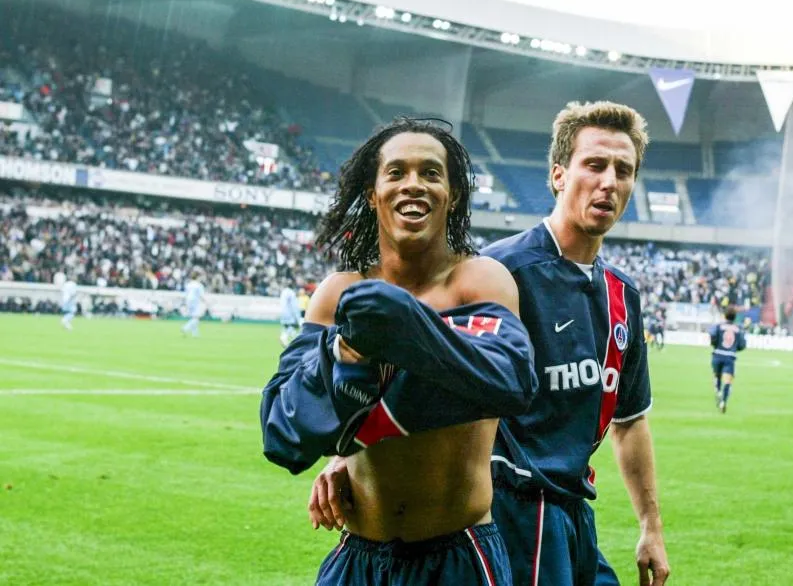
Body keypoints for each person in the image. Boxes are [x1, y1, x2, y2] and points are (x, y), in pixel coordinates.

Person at [309, 102, 671, 586]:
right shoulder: (496, 274)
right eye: (594, 164)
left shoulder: (622, 296)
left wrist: (651, 527)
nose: (608, 181)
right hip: (509, 509)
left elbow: (630, 420)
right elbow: (410, 371)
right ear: (558, 175)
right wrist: (347, 457)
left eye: (623, 170)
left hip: (575, 513)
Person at [260, 118, 538, 585]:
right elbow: (282, 431)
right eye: (396, 172)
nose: (413, 184)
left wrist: (399, 331)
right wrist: (346, 353)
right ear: (373, 194)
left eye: (431, 173)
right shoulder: (337, 293)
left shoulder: (480, 280)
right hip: (358, 556)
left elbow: (508, 381)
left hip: (459, 556)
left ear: (452, 194)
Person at [710, 306, 747, 413]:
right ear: (735, 317)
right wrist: (735, 348)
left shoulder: (719, 326)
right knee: (727, 381)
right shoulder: (738, 329)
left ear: (725, 315)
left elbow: (712, 337)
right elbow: (742, 345)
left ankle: (718, 391)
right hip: (729, 357)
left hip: (717, 355)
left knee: (717, 375)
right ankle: (723, 401)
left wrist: (715, 345)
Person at [181, 269, 206, 337]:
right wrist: (206, 301)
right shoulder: (199, 285)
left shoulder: (189, 284)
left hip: (188, 301)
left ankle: (195, 334)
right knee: (196, 318)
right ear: (198, 277)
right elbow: (201, 295)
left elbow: (186, 294)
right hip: (195, 301)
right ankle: (185, 328)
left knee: (193, 317)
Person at [279, 282, 303, 347]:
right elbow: (294, 305)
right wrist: (297, 316)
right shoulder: (291, 293)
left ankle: (285, 337)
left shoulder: (283, 292)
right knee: (292, 326)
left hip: (283, 313)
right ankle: (289, 338)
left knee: (287, 327)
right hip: (290, 313)